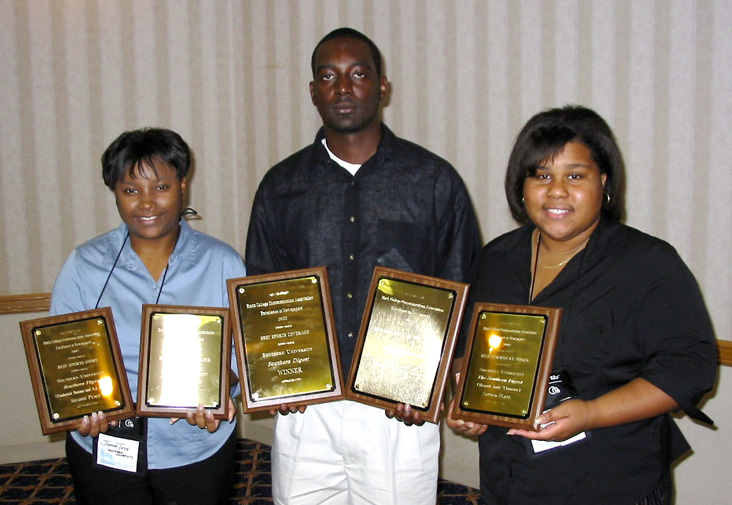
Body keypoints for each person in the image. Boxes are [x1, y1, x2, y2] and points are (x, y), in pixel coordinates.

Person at [245, 27, 481, 504]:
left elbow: (463, 284)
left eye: (358, 74)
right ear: (313, 91)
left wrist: (445, 383)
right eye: (328, 76)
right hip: (306, 409)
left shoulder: (433, 181)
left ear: (382, 85)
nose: (343, 88)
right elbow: (263, 287)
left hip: (399, 408)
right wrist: (274, 376)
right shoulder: (281, 185)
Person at [447, 105, 717, 505]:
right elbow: (470, 349)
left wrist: (591, 412)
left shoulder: (647, 264)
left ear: (603, 182)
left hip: (608, 480)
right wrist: (464, 401)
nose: (557, 191)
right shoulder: (498, 258)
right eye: (541, 175)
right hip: (509, 480)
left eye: (575, 175)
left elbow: (687, 368)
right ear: (521, 186)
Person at [50, 127, 246, 504]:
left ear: (182, 186)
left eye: (161, 187)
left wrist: (221, 387)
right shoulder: (85, 265)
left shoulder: (221, 261)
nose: (146, 203)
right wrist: (77, 406)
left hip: (196, 444)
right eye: (130, 190)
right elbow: (62, 359)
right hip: (104, 444)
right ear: (115, 194)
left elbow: (241, 354)